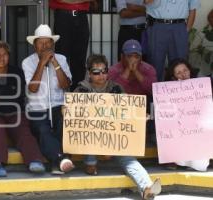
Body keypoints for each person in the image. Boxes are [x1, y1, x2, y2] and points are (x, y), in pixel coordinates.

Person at [74, 54, 161, 200]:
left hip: (114, 139)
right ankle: (90, 163)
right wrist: (67, 110)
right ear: (89, 73)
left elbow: (127, 109)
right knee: (88, 135)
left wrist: (139, 117)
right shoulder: (82, 90)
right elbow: (75, 117)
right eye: (96, 72)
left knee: (128, 159)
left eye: (104, 71)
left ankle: (146, 188)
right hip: (92, 140)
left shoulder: (116, 88)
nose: (101, 75)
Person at [0, 41, 46, 177]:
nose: (1, 57)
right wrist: (2, 93)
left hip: (15, 111)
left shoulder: (17, 72)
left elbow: (18, 93)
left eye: (5, 54)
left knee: (23, 129)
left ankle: (35, 160)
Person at [22, 24, 74, 174]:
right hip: (37, 109)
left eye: (48, 43)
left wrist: (55, 64)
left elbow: (65, 85)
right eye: (41, 43)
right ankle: (61, 159)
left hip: (58, 106)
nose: (44, 46)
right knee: (43, 131)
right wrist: (42, 63)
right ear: (34, 45)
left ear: (53, 44)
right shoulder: (27, 62)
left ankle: (57, 162)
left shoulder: (62, 59)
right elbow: (33, 88)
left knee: (62, 128)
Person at [164, 58, 209, 171]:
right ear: (173, 77)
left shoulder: (202, 87)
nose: (183, 74)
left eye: (185, 70)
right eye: (178, 73)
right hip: (181, 132)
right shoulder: (168, 92)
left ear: (190, 70)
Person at [108, 39, 157, 145]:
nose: (133, 60)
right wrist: (127, 71)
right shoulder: (113, 70)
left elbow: (152, 90)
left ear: (141, 57)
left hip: (142, 106)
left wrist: (136, 72)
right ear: (122, 57)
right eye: (129, 56)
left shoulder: (148, 69)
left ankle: (150, 136)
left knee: (154, 104)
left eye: (136, 57)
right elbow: (112, 93)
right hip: (121, 105)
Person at [144, 0, 201, 81]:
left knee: (180, 65)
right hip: (157, 25)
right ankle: (156, 92)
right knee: (155, 63)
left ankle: (179, 92)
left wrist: (185, 31)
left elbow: (193, 9)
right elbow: (147, 1)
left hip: (179, 27)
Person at [49, 0, 96, 90]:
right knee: (61, 58)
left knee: (80, 59)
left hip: (81, 15)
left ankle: (77, 94)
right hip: (63, 16)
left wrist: (70, 2)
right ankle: (60, 94)